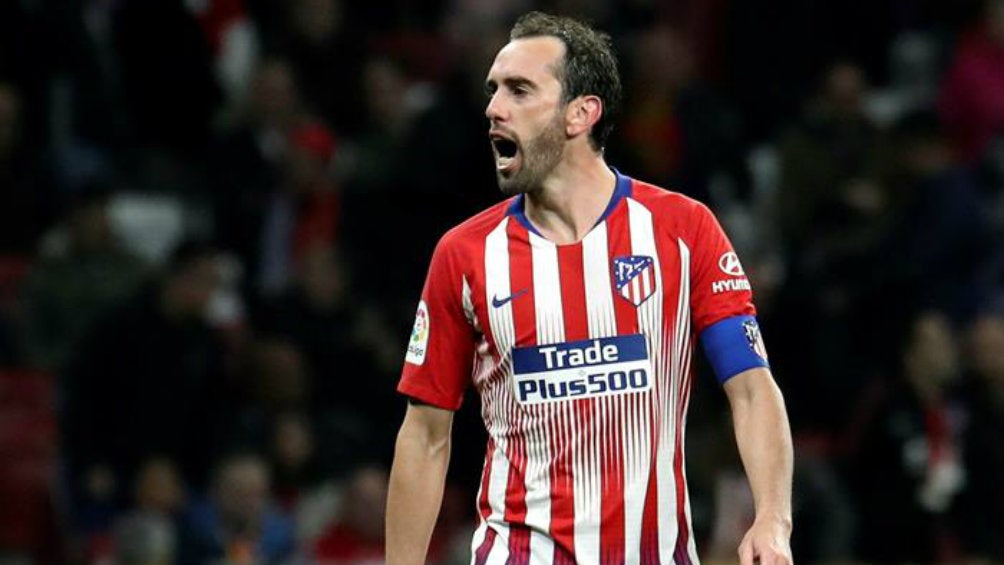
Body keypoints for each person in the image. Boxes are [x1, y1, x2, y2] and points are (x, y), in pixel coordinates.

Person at [386, 12, 793, 565]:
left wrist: (772, 517)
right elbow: (426, 435)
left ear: (581, 112)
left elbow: (750, 387)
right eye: (492, 90)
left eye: (519, 90)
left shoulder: (682, 230)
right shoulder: (464, 255)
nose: (493, 109)